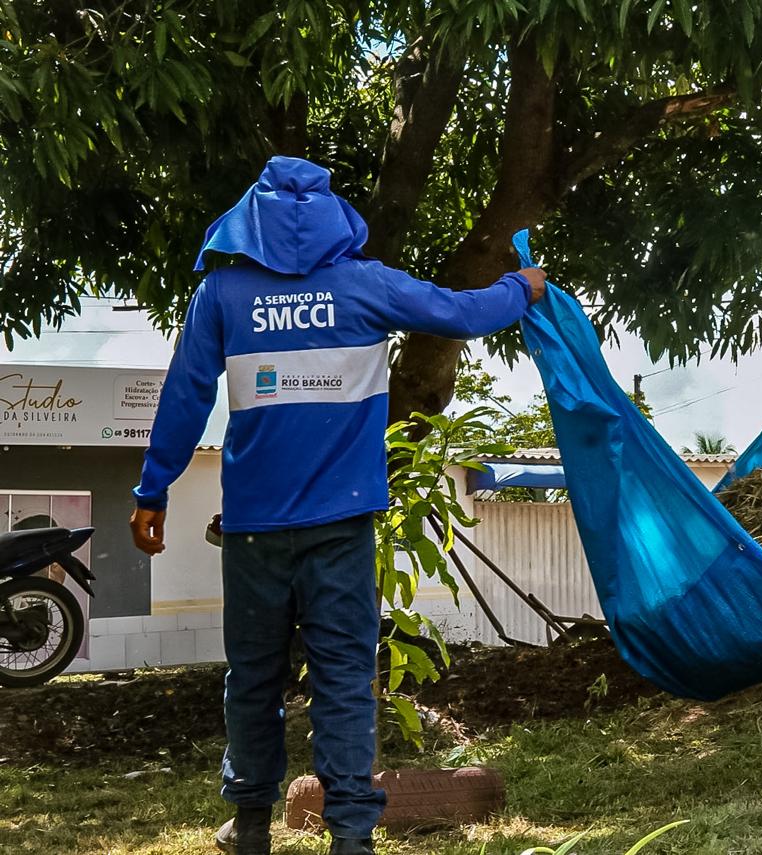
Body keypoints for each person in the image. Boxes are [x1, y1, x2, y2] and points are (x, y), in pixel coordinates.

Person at [129, 156, 547, 855]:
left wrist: (153, 489)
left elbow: (184, 397)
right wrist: (521, 286)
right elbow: (460, 311)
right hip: (342, 529)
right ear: (330, 216)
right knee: (345, 677)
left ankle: (253, 825)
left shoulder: (223, 295)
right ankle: (351, 835)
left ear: (251, 218)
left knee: (253, 679)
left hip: (255, 532)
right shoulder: (365, 285)